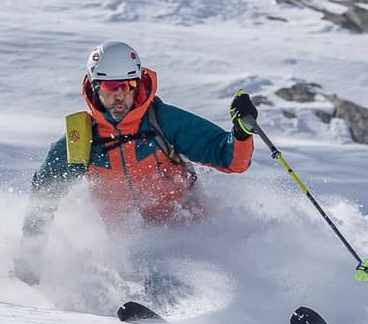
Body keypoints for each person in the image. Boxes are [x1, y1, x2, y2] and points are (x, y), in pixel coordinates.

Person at [14, 40, 258, 285]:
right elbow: (44, 194)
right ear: (95, 86)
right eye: (111, 86)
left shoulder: (162, 121)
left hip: (190, 228)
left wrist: (240, 134)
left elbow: (230, 159)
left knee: (217, 264)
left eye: (128, 85)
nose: (120, 94)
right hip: (131, 249)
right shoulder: (83, 139)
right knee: (143, 261)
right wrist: (31, 255)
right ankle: (153, 310)